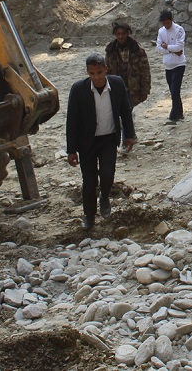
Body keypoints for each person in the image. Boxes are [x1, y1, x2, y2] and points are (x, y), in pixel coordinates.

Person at [66, 54, 136, 231]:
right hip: (87, 142)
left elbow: (125, 112)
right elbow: (72, 120)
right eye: (92, 73)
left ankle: (104, 196)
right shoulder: (78, 89)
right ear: (87, 72)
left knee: (107, 174)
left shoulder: (117, 84)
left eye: (99, 72)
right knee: (89, 181)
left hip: (108, 139)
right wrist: (71, 150)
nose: (96, 77)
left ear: (106, 69)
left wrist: (129, 135)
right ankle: (89, 216)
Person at [104, 21, 151, 109]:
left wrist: (145, 91)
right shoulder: (110, 50)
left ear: (128, 33)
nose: (120, 36)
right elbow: (106, 71)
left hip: (132, 89)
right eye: (118, 34)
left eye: (123, 34)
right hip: (115, 88)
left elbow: (145, 72)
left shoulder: (137, 50)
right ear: (115, 34)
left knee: (128, 112)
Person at [156, 9, 186, 125]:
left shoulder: (179, 30)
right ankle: (180, 112)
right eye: (164, 23)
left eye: (167, 23)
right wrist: (171, 49)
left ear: (171, 20)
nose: (166, 25)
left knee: (175, 89)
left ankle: (173, 116)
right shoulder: (161, 31)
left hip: (179, 64)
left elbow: (179, 47)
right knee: (173, 90)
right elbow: (159, 48)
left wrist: (167, 47)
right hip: (167, 65)